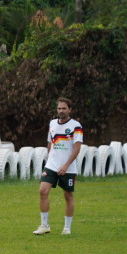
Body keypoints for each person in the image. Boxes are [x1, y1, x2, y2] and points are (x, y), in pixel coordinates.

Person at [35, 97, 82, 235]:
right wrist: (50, 159)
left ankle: (67, 228)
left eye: (64, 108)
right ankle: (44, 225)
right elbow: (50, 143)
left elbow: (77, 148)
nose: (61, 111)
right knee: (43, 191)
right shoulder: (52, 123)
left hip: (68, 167)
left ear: (70, 110)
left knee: (68, 195)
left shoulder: (76, 126)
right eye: (59, 108)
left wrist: (66, 165)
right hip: (51, 165)